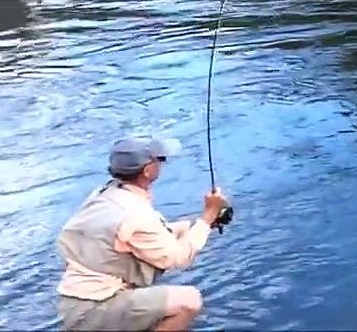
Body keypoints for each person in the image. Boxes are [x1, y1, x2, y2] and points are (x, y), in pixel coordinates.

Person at [55, 137, 229, 332]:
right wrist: (208, 216)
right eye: (160, 159)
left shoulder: (104, 195)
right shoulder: (138, 214)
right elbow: (176, 258)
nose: (162, 163)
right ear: (147, 170)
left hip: (74, 303)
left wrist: (197, 226)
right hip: (94, 309)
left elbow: (143, 236)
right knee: (189, 301)